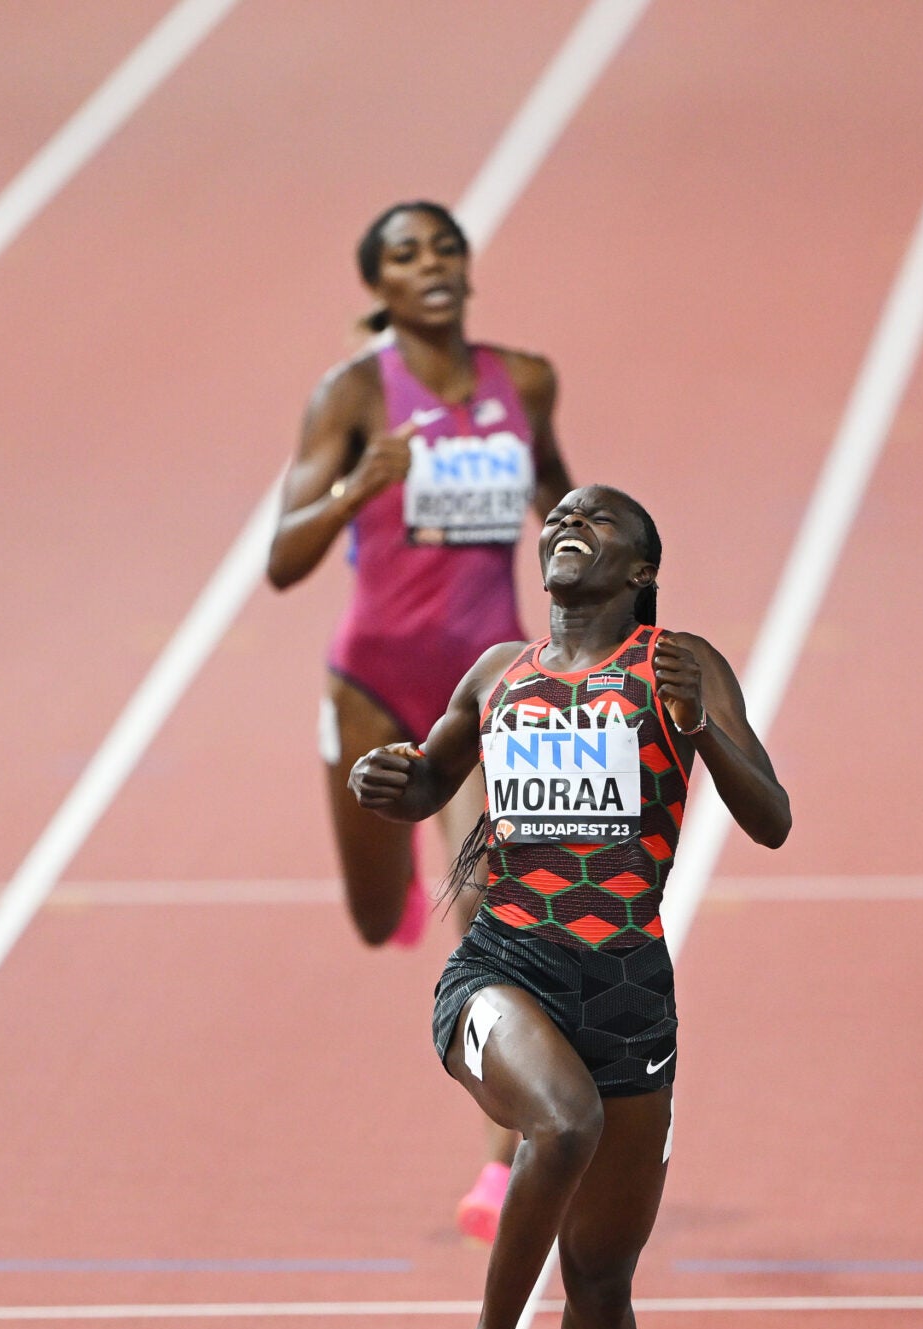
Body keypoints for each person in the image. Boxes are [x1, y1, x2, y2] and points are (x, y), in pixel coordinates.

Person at [350, 485, 789, 1329]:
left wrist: (711, 732)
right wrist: (391, 782)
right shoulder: (498, 671)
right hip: (501, 970)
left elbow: (772, 818)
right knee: (559, 1124)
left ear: (642, 568)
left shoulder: (679, 666)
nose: (566, 527)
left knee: (601, 1285)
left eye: (597, 522)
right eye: (559, 521)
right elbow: (432, 780)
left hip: (629, 995)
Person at [269, 200, 573, 1241]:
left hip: (487, 688)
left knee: (500, 920)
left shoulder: (522, 383)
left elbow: (564, 512)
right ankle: (393, 884)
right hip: (373, 684)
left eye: (445, 246)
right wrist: (362, 482)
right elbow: (281, 561)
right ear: (380, 287)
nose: (432, 264)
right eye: (406, 255)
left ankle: (506, 1157)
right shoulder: (353, 394)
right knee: (372, 917)